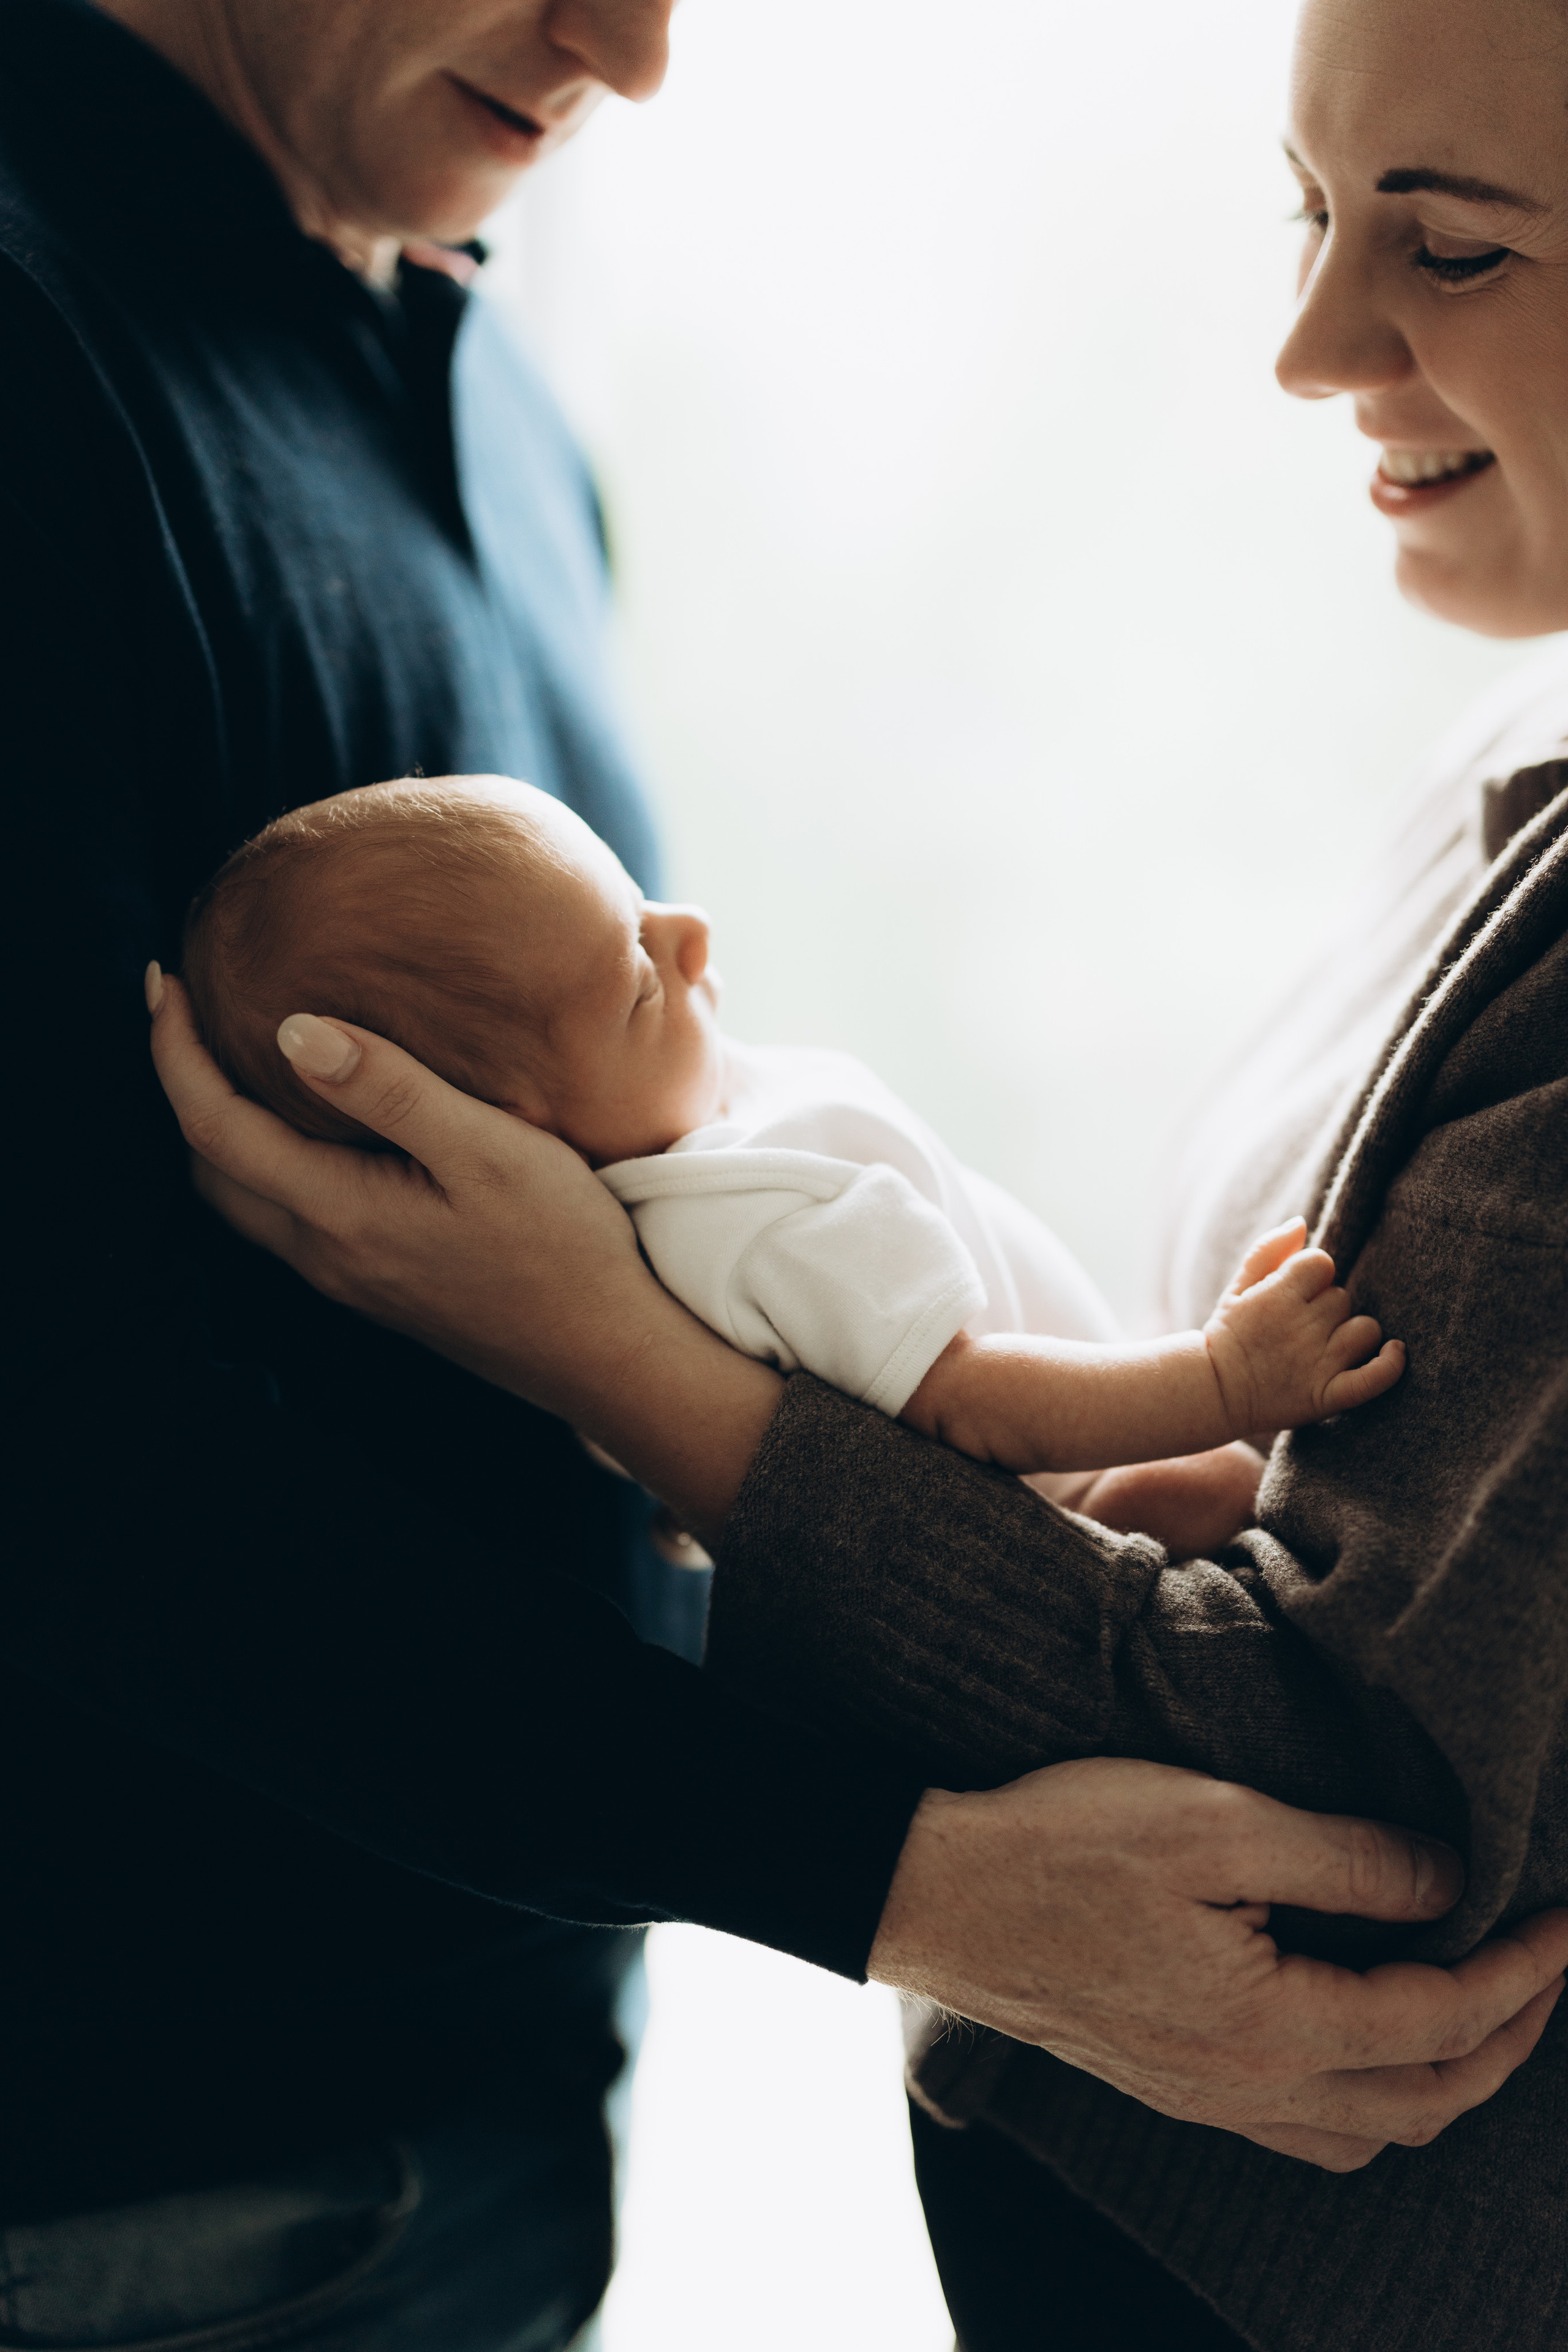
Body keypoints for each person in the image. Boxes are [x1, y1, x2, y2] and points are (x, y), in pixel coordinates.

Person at [10, 2, 1532, 2350]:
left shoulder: (486, 389)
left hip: (482, 2119)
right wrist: (906, 1889)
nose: (628, 53)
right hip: (162, 2184)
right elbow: (72, 1449)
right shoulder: (35, 362)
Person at [183, 774, 1403, 1556]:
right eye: (634, 979)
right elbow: (972, 1404)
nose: (687, 934)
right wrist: (1222, 1377)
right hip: (1075, 1511)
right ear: (516, 1126)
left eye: (635, 902)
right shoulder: (747, 1213)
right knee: (1197, 1492)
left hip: (1057, 1452)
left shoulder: (668, 1155)